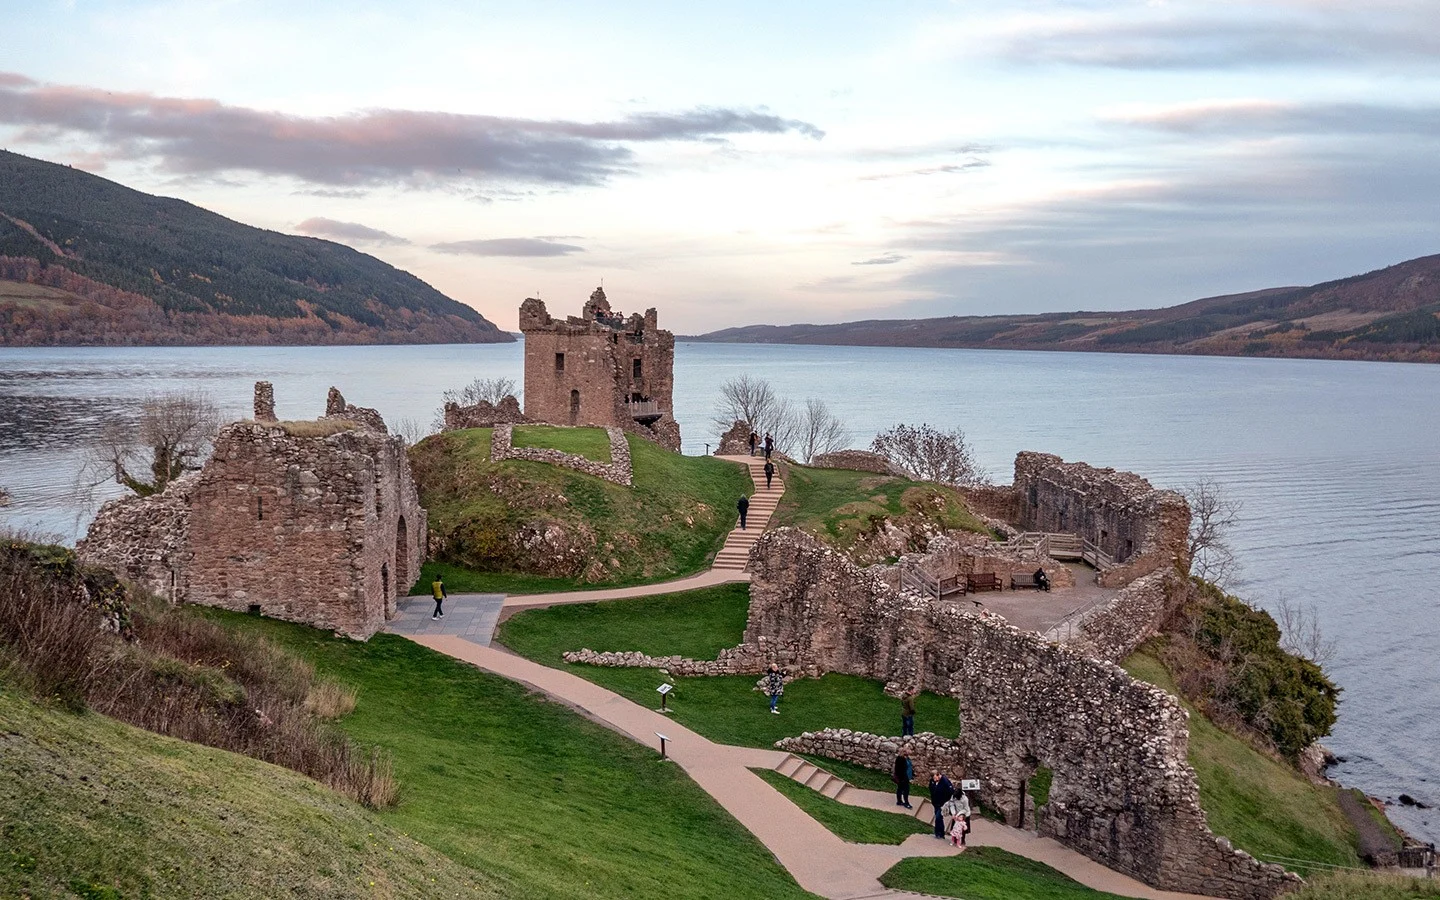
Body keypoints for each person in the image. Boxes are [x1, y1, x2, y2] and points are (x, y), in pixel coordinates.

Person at [928, 771, 954, 838]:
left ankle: (938, 833)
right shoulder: (932, 781)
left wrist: (945, 801)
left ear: (938, 775)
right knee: (939, 818)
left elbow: (950, 792)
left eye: (935, 778)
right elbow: (931, 788)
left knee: (938, 817)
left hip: (942, 803)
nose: (934, 779)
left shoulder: (945, 782)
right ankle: (941, 833)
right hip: (935, 802)